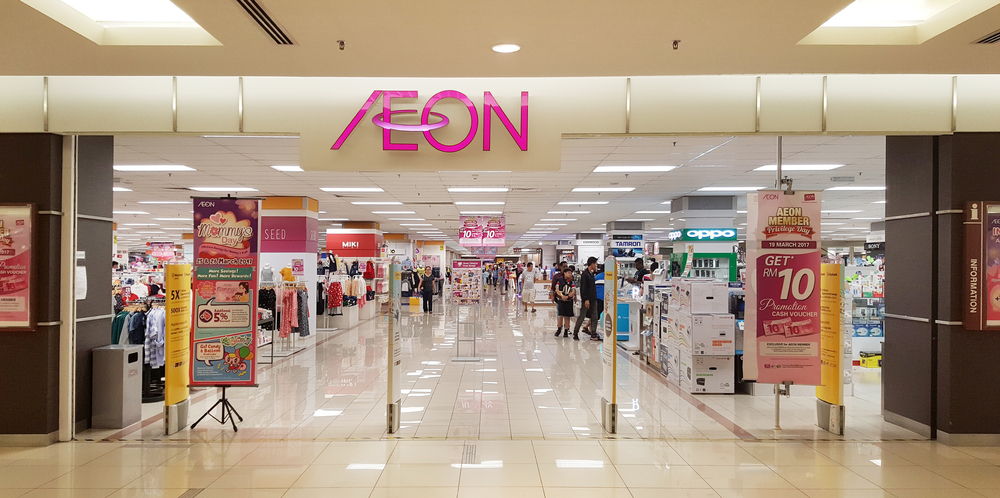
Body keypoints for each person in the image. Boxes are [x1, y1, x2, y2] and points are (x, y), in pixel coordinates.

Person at [573, 257, 599, 341]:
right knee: (582, 316)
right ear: (592, 264)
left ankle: (593, 333)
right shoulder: (585, 275)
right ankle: (575, 332)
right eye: (595, 264)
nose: (596, 265)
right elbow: (584, 288)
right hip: (587, 300)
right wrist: (586, 299)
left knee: (594, 317)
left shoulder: (591, 274)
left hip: (593, 299)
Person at [554, 267, 576, 337]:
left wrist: (568, 296)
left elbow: (573, 290)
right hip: (561, 300)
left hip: (569, 300)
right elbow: (557, 290)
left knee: (567, 316)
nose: (570, 274)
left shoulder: (571, 282)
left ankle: (566, 330)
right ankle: (559, 329)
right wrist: (562, 296)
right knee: (560, 315)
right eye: (569, 273)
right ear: (564, 273)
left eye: (571, 273)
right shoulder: (559, 280)